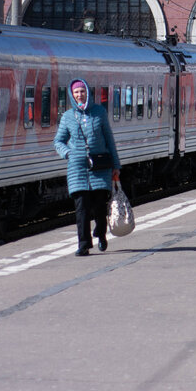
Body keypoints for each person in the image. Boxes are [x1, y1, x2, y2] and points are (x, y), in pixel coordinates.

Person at [54, 79, 121, 257]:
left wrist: (116, 165)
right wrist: (68, 153)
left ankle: (100, 233)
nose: (79, 95)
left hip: (100, 166)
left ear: (88, 93)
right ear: (72, 95)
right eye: (76, 92)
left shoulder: (99, 112)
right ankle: (83, 244)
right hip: (77, 168)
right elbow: (58, 141)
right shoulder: (68, 116)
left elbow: (109, 139)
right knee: (81, 208)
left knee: (99, 207)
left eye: (82, 91)